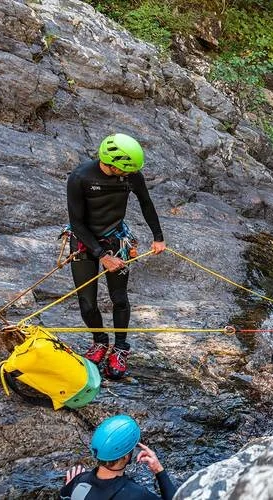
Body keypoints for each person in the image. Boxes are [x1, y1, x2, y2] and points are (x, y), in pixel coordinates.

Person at [67, 133, 166, 379]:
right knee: (87, 302)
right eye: (123, 170)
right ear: (110, 163)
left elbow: (146, 203)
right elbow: (76, 223)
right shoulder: (80, 178)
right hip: (84, 241)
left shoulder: (131, 175)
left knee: (119, 297)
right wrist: (101, 255)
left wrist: (158, 236)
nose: (127, 176)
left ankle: (120, 348)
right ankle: (100, 342)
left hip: (116, 239)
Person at [60, 414, 176, 500]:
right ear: (126, 457)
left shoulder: (79, 482)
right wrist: (159, 471)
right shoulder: (137, 495)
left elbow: (63, 495)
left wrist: (72, 486)